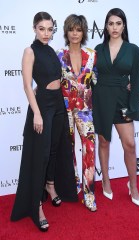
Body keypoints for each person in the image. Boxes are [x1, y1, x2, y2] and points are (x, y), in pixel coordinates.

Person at [10, 12, 77, 232]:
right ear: (34, 28)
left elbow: (50, 79)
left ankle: (50, 186)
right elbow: (27, 85)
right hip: (43, 107)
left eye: (50, 29)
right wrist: (37, 113)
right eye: (42, 29)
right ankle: (36, 204)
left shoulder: (50, 51)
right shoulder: (30, 51)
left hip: (58, 103)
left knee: (56, 148)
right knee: (43, 153)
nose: (46, 33)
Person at [93, 8, 139, 206]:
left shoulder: (133, 50)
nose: (114, 27)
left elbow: (136, 81)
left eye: (118, 23)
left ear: (124, 26)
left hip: (123, 100)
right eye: (111, 23)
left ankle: (133, 185)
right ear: (106, 26)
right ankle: (105, 179)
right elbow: (90, 77)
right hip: (102, 99)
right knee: (103, 142)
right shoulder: (97, 49)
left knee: (129, 144)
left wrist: (133, 108)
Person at [56, 14, 97, 211]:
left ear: (83, 32)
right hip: (64, 110)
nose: (75, 33)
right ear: (66, 31)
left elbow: (99, 81)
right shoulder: (58, 55)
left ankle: (89, 195)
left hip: (85, 110)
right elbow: (52, 80)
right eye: (71, 29)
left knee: (89, 148)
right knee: (68, 149)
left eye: (78, 30)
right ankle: (73, 186)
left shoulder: (92, 54)